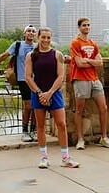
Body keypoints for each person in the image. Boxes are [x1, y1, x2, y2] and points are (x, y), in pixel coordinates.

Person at [25, 27, 80, 169]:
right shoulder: (31, 55)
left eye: (48, 37)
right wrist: (39, 93)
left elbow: (60, 76)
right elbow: (28, 77)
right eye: (43, 37)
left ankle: (65, 157)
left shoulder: (57, 55)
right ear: (38, 37)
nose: (46, 40)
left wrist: (49, 93)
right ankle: (44, 157)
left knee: (61, 124)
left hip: (54, 93)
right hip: (38, 93)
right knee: (41, 126)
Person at [0, 24, 38, 142]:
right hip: (23, 79)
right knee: (28, 105)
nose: (31, 33)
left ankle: (34, 131)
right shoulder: (17, 45)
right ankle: (25, 131)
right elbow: (4, 55)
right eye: (28, 31)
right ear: (24, 34)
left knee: (36, 106)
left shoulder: (38, 46)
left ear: (35, 34)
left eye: (33, 31)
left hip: (37, 80)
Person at [70, 17, 109, 150]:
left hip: (94, 79)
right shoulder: (75, 43)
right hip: (80, 79)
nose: (86, 27)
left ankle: (104, 137)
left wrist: (87, 61)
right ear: (79, 27)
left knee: (103, 108)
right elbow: (79, 63)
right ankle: (80, 139)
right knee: (79, 110)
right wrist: (91, 61)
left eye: (88, 25)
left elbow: (99, 62)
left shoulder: (93, 43)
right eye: (84, 25)